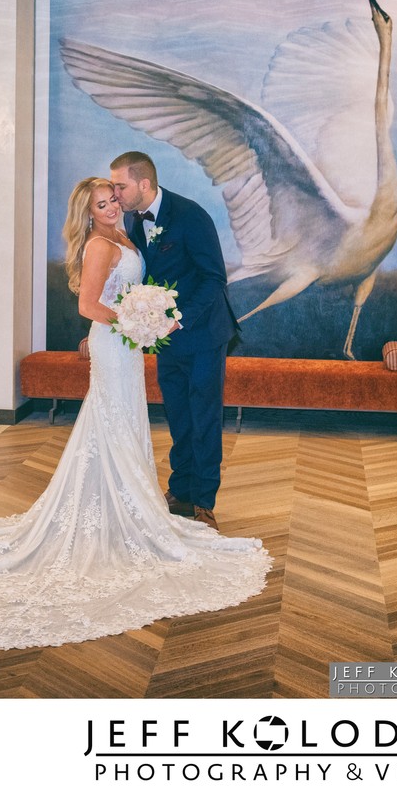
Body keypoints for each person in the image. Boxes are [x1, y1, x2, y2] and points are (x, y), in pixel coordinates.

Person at [0, 177, 269, 650]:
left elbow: (139, 288)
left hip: (127, 344)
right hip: (117, 343)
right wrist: (138, 321)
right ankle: (121, 510)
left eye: (113, 199)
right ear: (87, 213)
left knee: (122, 420)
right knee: (111, 418)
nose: (111, 207)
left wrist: (143, 316)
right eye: (102, 204)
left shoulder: (128, 234)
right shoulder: (101, 243)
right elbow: (89, 303)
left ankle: (131, 502)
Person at [110, 151, 238, 531]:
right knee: (178, 415)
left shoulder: (190, 216)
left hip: (202, 336)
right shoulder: (133, 222)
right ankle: (180, 489)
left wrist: (177, 321)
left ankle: (203, 501)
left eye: (121, 186)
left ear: (143, 184)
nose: (116, 194)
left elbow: (214, 278)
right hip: (164, 342)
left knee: (204, 416)